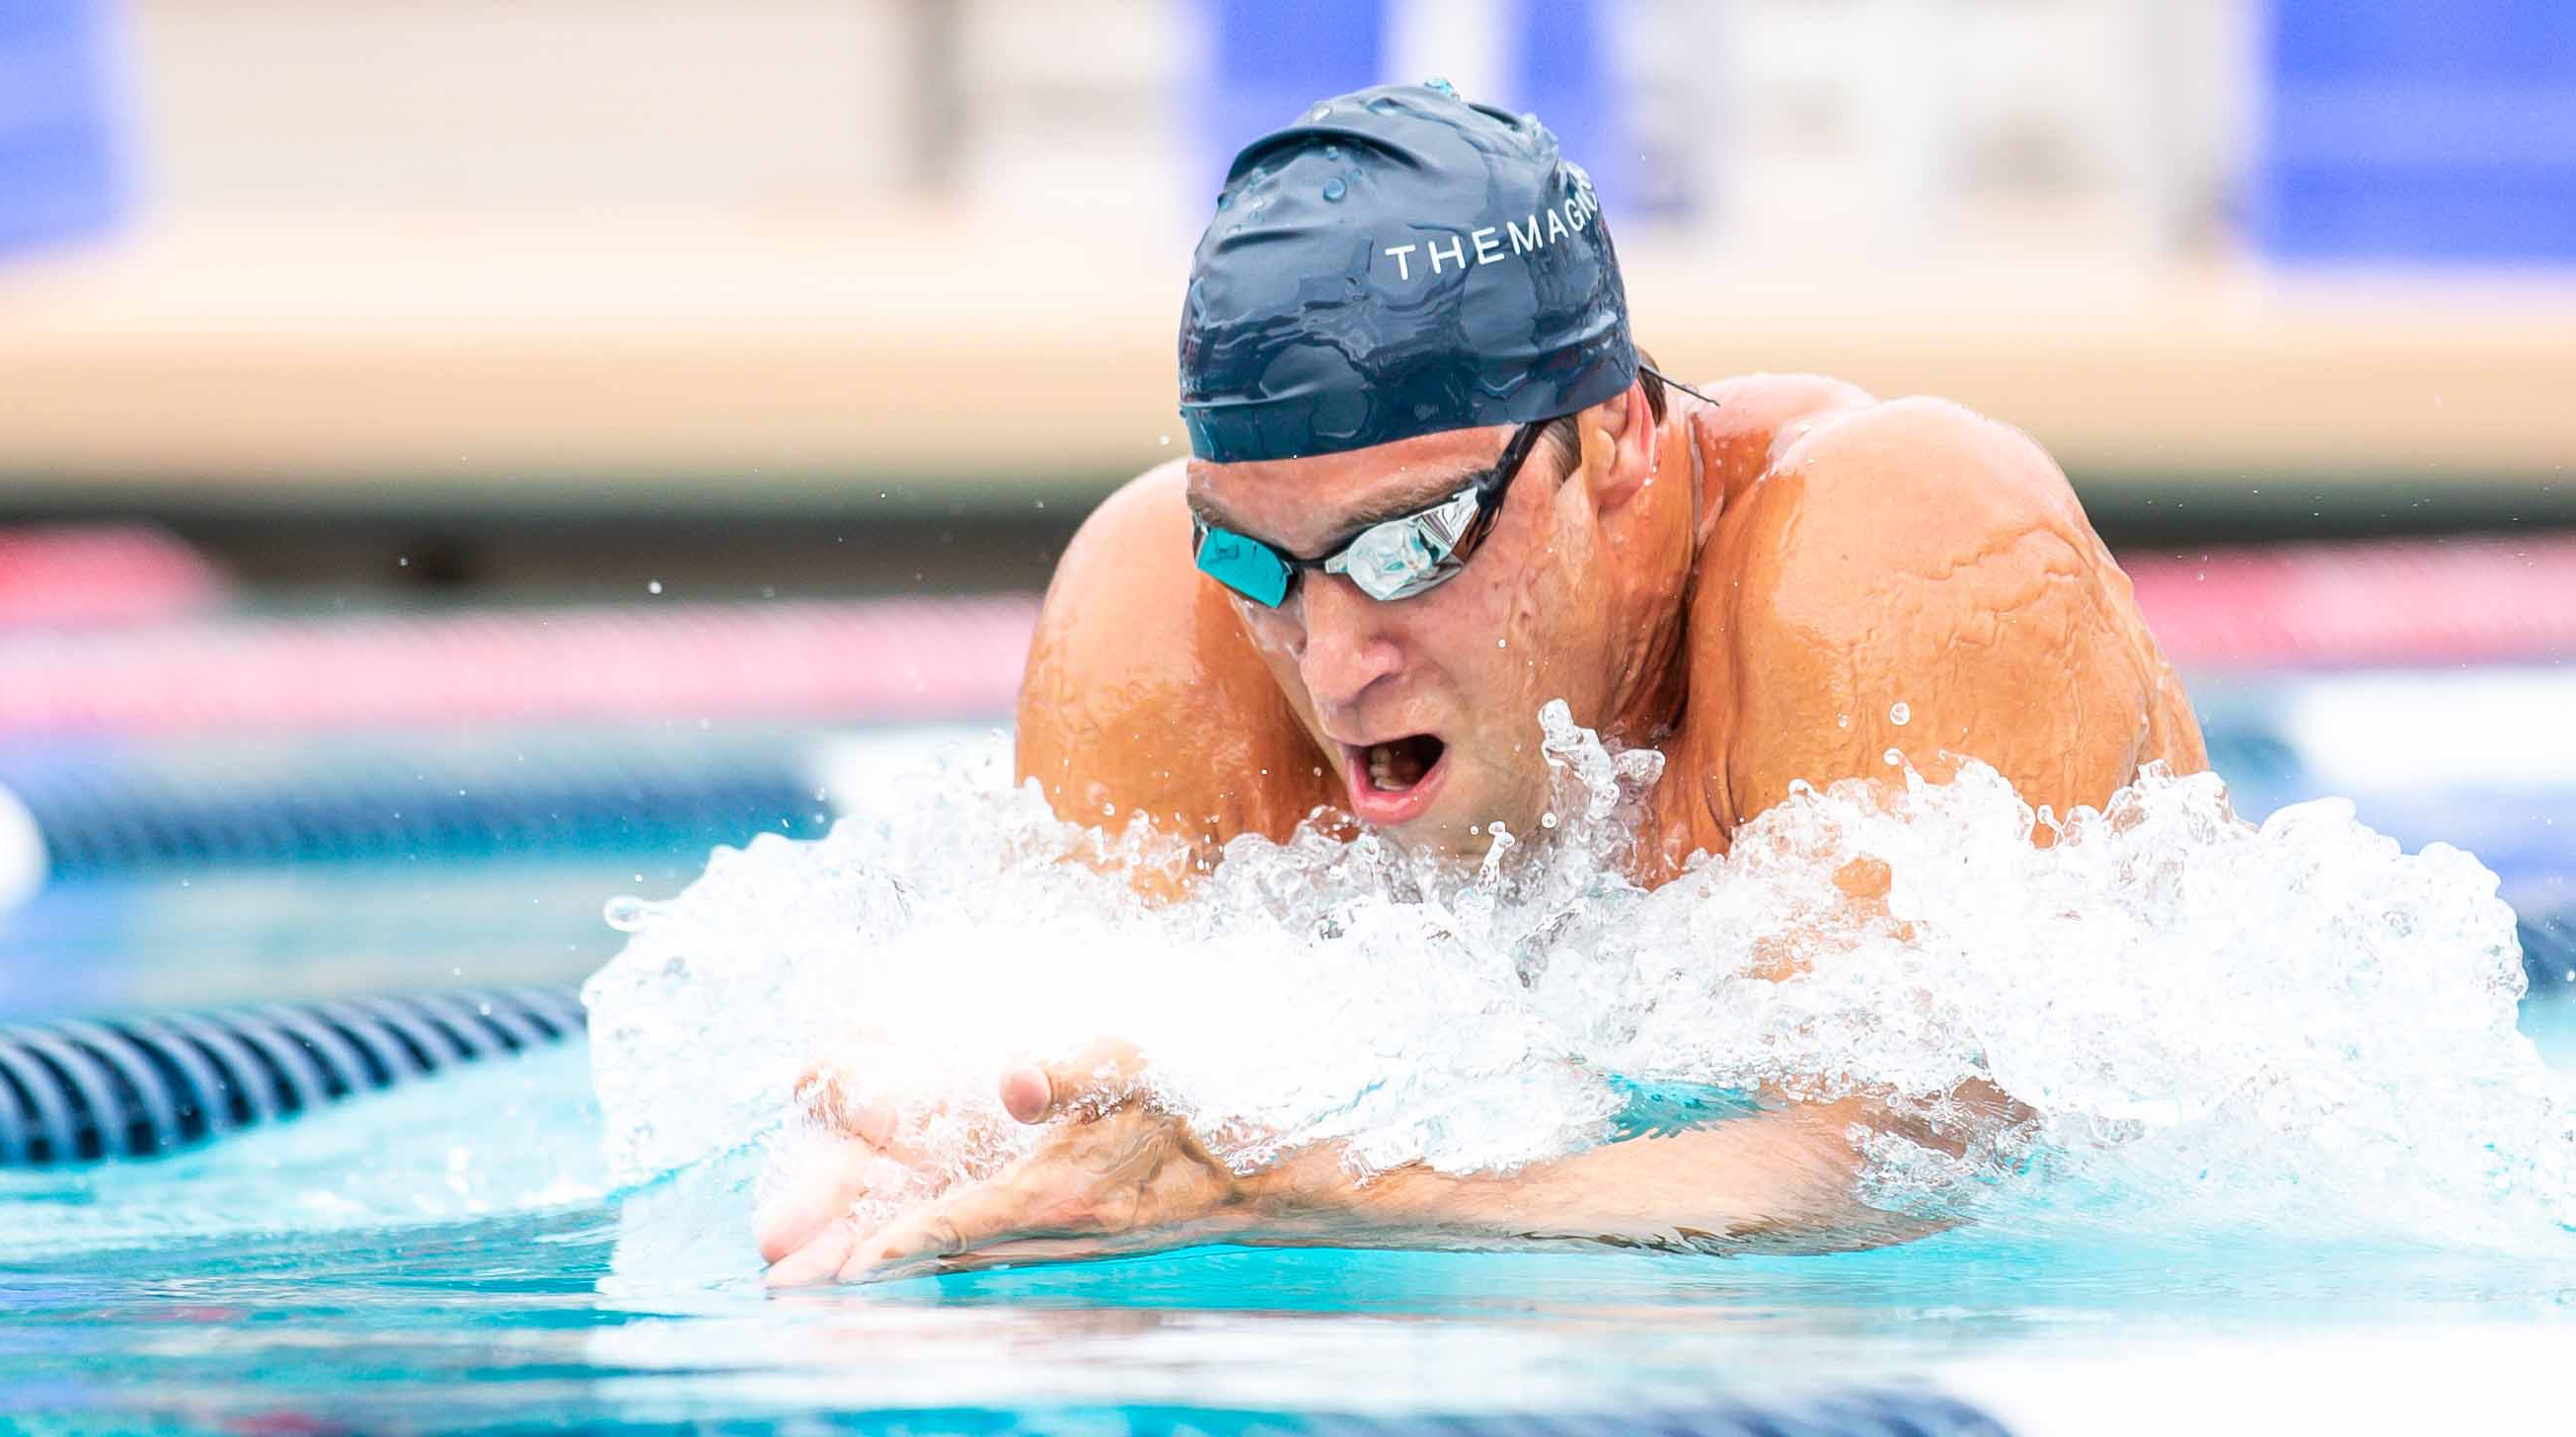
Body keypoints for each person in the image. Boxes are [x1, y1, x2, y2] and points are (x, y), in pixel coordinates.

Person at [755, 81, 2206, 1285]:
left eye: (1414, 544)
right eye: (1261, 560)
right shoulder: (1167, 607)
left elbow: (1926, 1159)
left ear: (1619, 437)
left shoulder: (1894, 548)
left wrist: (1304, 1193)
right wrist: (895, 1154)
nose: (1331, 663)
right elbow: (1078, 1135)